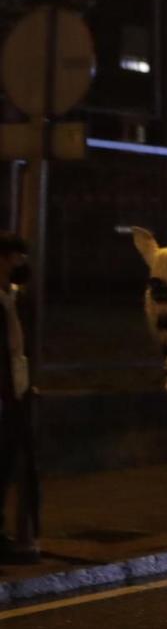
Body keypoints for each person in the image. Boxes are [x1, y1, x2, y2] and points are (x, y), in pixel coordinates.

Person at [0, 234, 38, 563]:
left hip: (14, 392)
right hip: (4, 394)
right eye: (16, 258)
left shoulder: (10, 297)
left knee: (7, 464)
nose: (21, 264)